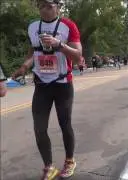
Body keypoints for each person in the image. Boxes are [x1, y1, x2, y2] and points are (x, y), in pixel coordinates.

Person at [11, 0, 82, 179]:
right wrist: (24, 67)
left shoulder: (68, 26)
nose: (45, 9)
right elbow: (33, 53)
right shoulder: (33, 26)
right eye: (41, 5)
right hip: (42, 84)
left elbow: (77, 55)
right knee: (39, 128)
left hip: (63, 84)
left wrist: (59, 44)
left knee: (65, 124)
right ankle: (49, 166)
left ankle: (70, 160)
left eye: (49, 5)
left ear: (58, 7)